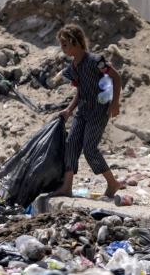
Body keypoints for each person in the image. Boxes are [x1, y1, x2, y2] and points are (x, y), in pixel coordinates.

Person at [50, 24, 125, 198]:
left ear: (75, 42)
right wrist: (69, 110)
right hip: (82, 112)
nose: (63, 49)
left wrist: (115, 103)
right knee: (71, 146)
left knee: (90, 149)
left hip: (99, 112)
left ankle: (112, 183)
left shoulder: (96, 60)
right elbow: (80, 91)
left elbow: (116, 77)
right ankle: (67, 187)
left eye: (65, 45)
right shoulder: (73, 67)